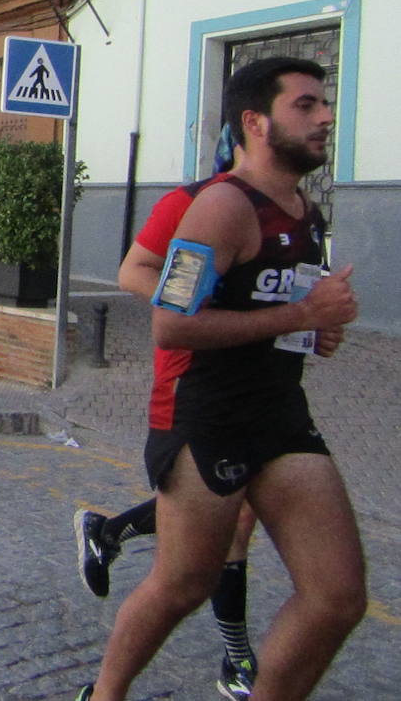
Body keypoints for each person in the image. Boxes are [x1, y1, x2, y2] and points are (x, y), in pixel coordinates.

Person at [76, 58, 364, 701]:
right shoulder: (219, 209)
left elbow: (275, 310)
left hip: (282, 415)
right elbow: (171, 326)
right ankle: (104, 694)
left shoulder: (305, 210)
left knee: (337, 596)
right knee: (185, 583)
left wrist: (317, 328)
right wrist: (299, 314)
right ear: (255, 122)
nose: (324, 118)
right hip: (208, 418)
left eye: (326, 105)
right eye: (307, 105)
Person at [73, 127, 263, 699]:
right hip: (194, 385)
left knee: (229, 520)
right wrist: (191, 305)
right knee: (225, 531)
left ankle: (108, 532)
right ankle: (235, 658)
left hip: (264, 392)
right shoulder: (192, 202)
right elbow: (134, 271)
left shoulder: (294, 213)